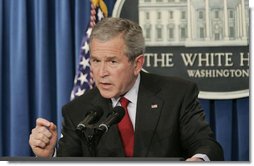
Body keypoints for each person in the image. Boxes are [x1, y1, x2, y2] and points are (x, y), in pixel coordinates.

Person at [29, 17, 224, 161]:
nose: (101, 72)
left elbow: (207, 145)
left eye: (112, 62)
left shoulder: (177, 95)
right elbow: (69, 161)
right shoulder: (78, 111)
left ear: (137, 64)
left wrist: (198, 160)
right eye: (96, 61)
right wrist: (48, 156)